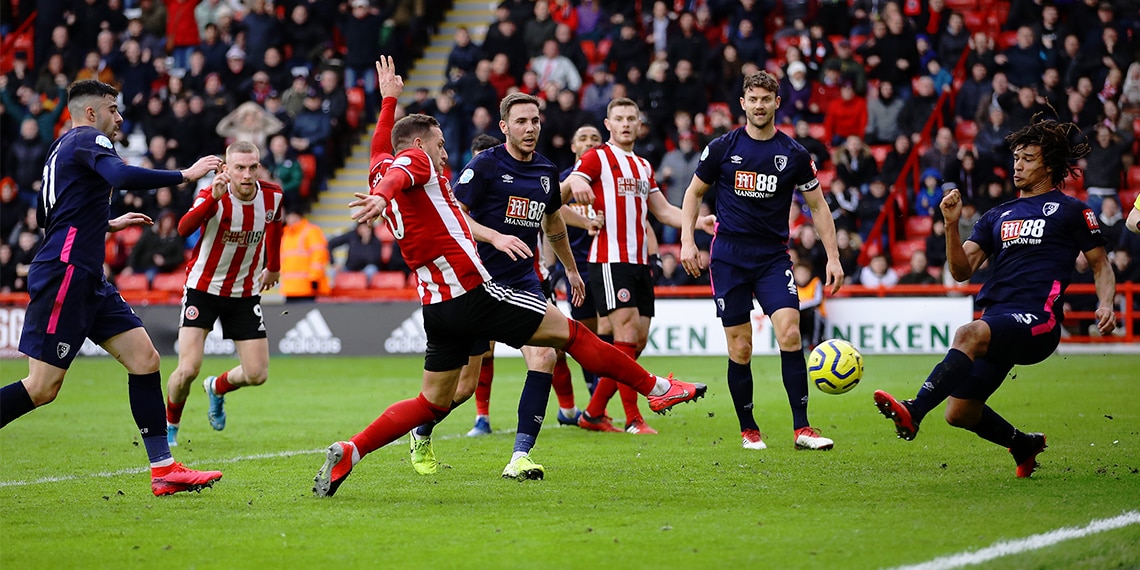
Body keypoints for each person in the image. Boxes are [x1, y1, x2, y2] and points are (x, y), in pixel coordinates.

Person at [314, 59, 707, 497]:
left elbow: (379, 151)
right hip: (475, 291)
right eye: (440, 144)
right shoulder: (416, 162)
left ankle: (354, 449)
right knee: (572, 335)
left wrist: (389, 100)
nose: (445, 153)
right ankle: (657, 388)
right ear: (420, 144)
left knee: (433, 401)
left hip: (437, 306)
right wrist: (380, 195)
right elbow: (402, 169)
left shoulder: (384, 162)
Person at [0, 79, 223, 496]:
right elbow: (118, 174)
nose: (119, 118)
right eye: (113, 109)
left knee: (145, 359)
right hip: (66, 273)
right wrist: (185, 174)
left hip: (86, 275)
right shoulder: (89, 138)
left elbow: (48, 215)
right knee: (42, 388)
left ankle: (164, 470)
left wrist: (103, 223)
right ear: (91, 113)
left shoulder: (61, 149)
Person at [873, 116, 1117, 478]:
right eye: (1016, 158)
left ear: (1049, 165)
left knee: (968, 333)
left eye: (1028, 159)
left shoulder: (1071, 210)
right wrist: (951, 225)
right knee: (959, 412)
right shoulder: (996, 215)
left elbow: (1101, 265)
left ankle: (913, 410)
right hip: (999, 319)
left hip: (1039, 320)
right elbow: (960, 271)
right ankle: (1023, 443)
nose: (1017, 165)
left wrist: (1106, 304)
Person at [407, 92, 600, 478]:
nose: (530, 129)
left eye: (535, 121)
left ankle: (520, 456)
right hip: (477, 285)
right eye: (521, 122)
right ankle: (421, 430)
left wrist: (572, 270)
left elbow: (553, 224)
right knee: (459, 390)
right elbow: (457, 217)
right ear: (504, 127)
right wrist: (494, 237)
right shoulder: (485, 166)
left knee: (544, 356)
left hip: (523, 283)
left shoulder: (546, 172)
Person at [678, 70, 845, 452]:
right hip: (729, 257)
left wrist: (832, 258)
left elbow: (818, 206)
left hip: (772, 257)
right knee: (741, 347)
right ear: (743, 103)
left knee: (789, 332)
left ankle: (802, 429)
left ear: (776, 103)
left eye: (765, 99)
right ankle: (749, 430)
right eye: (752, 99)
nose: (759, 105)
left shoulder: (794, 154)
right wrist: (688, 241)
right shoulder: (722, 147)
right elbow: (693, 193)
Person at [562, 98, 717, 435]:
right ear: (609, 125)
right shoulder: (597, 157)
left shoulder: (644, 166)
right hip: (608, 259)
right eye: (619, 119)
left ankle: (592, 413)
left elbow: (662, 211)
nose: (626, 124)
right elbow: (575, 180)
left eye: (631, 118)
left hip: (639, 262)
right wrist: (577, 182)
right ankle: (634, 419)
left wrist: (696, 222)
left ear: (639, 123)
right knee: (627, 335)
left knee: (635, 342)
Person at [165, 140, 284, 447]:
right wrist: (210, 201)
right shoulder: (213, 194)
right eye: (240, 168)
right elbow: (182, 229)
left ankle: (217, 387)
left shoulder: (272, 196)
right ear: (226, 169)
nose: (246, 174)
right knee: (188, 369)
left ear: (258, 167)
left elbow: (276, 225)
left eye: (252, 167)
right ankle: (170, 426)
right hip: (203, 289)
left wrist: (273, 265)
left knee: (257, 374)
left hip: (244, 293)